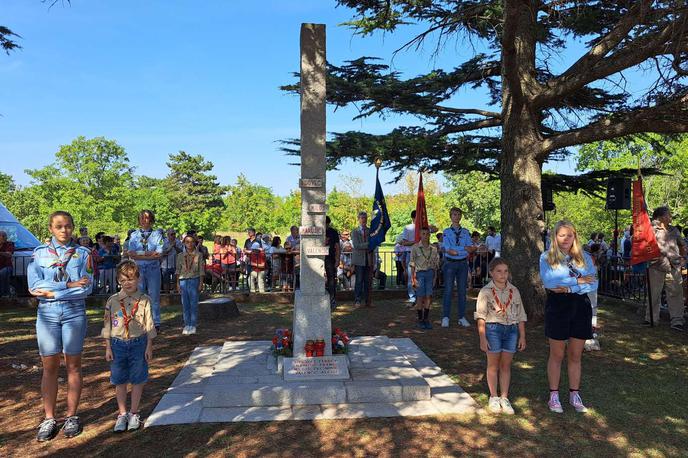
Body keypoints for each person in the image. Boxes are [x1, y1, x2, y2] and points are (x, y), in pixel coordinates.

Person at [28, 211, 93, 441]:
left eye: (67, 226)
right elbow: (34, 287)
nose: (64, 230)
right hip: (47, 314)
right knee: (50, 366)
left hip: (74, 312)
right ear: (51, 229)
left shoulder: (83, 254)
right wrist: (69, 284)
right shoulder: (39, 254)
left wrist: (52, 292)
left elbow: (86, 288)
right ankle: (49, 418)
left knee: (73, 364)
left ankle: (71, 416)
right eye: (58, 226)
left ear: (73, 227)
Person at [539, 220, 598, 414]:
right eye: (561, 235)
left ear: (575, 236)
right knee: (557, 354)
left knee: (575, 355)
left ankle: (574, 394)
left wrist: (569, 285)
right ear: (555, 237)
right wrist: (579, 280)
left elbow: (593, 284)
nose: (566, 239)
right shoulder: (547, 257)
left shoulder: (585, 258)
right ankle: (554, 395)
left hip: (580, 306)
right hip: (558, 306)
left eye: (569, 235)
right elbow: (550, 281)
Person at [103, 260, 155, 432]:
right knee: (119, 379)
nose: (127, 283)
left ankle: (134, 412)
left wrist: (149, 346)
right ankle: (122, 413)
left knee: (138, 378)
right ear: (118, 280)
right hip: (117, 344)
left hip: (138, 343)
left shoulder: (145, 300)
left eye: (131, 279)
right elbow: (107, 325)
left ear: (138, 279)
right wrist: (108, 347)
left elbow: (149, 324)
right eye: (124, 280)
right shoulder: (112, 301)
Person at [475, 258, 527, 414]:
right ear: (491, 273)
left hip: (511, 330)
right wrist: (482, 338)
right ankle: (494, 397)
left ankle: (504, 397)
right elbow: (481, 317)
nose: (503, 275)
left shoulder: (514, 291)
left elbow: (521, 315)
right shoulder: (485, 291)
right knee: (493, 365)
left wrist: (522, 336)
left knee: (506, 365)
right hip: (493, 329)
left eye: (505, 271)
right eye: (499, 271)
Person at [646, 206, 686, 330]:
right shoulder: (651, 229)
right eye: (668, 215)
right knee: (654, 294)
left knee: (676, 294)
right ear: (661, 217)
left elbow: (682, 245)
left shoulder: (674, 230)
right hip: (656, 266)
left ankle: (677, 321)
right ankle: (651, 319)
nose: (671, 217)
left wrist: (683, 257)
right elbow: (644, 245)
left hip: (674, 265)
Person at [126, 210, 164, 332]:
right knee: (139, 296)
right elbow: (131, 254)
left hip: (153, 269)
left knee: (154, 296)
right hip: (139, 269)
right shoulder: (134, 235)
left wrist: (140, 254)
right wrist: (148, 254)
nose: (144, 220)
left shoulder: (157, 234)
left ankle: (155, 322)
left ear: (151, 219)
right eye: (142, 218)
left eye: (147, 218)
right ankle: (140, 321)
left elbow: (159, 253)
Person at [441, 207, 477, 327]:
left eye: (458, 214)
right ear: (450, 216)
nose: (456, 216)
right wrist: (463, 249)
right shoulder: (446, 232)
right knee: (448, 290)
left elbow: (470, 248)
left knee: (462, 291)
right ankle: (445, 317)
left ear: (461, 216)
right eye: (454, 214)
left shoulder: (466, 232)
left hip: (462, 264)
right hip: (450, 263)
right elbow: (449, 250)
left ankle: (461, 317)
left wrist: (461, 250)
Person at [410, 227, 440, 329]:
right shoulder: (415, 247)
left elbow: (436, 264)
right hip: (420, 274)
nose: (425, 236)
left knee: (428, 296)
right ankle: (420, 318)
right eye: (423, 234)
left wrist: (435, 277)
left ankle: (426, 318)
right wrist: (413, 278)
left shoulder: (434, 248)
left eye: (427, 234)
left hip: (430, 273)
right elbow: (412, 264)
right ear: (420, 235)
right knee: (420, 296)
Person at [176, 234, 205, 335]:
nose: (189, 244)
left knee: (193, 303)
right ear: (184, 243)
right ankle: (186, 324)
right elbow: (177, 271)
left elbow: (201, 270)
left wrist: (201, 283)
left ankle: (193, 325)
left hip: (194, 280)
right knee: (185, 304)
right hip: (183, 281)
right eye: (187, 242)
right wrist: (178, 284)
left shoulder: (199, 255)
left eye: (192, 242)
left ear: (195, 243)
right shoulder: (180, 256)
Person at [351, 211, 371, 307]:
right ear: (358, 219)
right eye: (362, 218)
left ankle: (368, 300)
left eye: (365, 218)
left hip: (368, 259)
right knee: (359, 281)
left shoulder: (370, 231)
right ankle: (357, 300)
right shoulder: (355, 231)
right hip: (359, 260)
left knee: (368, 281)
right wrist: (368, 245)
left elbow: (373, 245)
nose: (364, 220)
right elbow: (356, 245)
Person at [401, 210, 417, 306]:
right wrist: (415, 242)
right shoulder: (407, 228)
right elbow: (404, 242)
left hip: (421, 255)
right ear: (413, 218)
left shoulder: (423, 227)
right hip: (410, 253)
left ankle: (420, 295)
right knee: (411, 276)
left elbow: (436, 229)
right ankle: (412, 296)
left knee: (421, 275)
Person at [325, 216, 341, 309]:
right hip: (318, 259)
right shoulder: (316, 231)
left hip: (330, 258)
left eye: (326, 223)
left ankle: (332, 300)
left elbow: (337, 246)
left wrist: (338, 259)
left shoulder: (333, 232)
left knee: (332, 280)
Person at [0, 230, 15, 297]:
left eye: (5, 236)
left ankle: (4, 294)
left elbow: (9, 254)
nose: (4, 237)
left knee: (3, 272)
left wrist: (1, 253)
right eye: (2, 236)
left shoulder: (9, 244)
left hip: (6, 266)